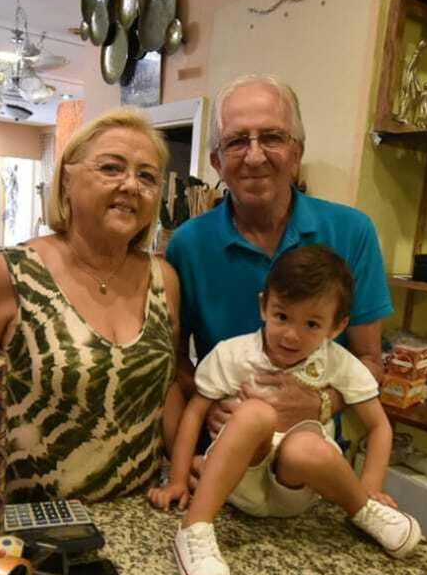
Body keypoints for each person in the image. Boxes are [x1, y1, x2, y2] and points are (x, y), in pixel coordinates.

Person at [0, 108, 182, 515]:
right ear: (67, 178)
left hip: (135, 519)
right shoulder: (13, 273)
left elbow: (168, 385)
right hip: (29, 526)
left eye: (147, 176)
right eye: (111, 168)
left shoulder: (164, 279)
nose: (130, 186)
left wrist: (183, 465)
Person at [150, 245, 420, 575]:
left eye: (311, 324)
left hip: (298, 491)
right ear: (264, 306)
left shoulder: (337, 363)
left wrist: (369, 485)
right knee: (256, 413)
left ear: (337, 326)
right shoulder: (233, 355)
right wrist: (178, 478)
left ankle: (363, 511)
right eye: (282, 317)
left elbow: (380, 426)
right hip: (236, 484)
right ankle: (195, 530)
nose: (292, 335)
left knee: (307, 446)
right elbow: (195, 412)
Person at [166, 75, 393, 439]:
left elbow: (371, 362)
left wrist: (319, 404)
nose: (255, 156)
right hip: (215, 459)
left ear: (297, 152)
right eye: (237, 141)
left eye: (272, 137)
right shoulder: (188, 245)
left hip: (310, 462)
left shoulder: (353, 232)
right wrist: (208, 402)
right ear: (216, 161)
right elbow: (172, 361)